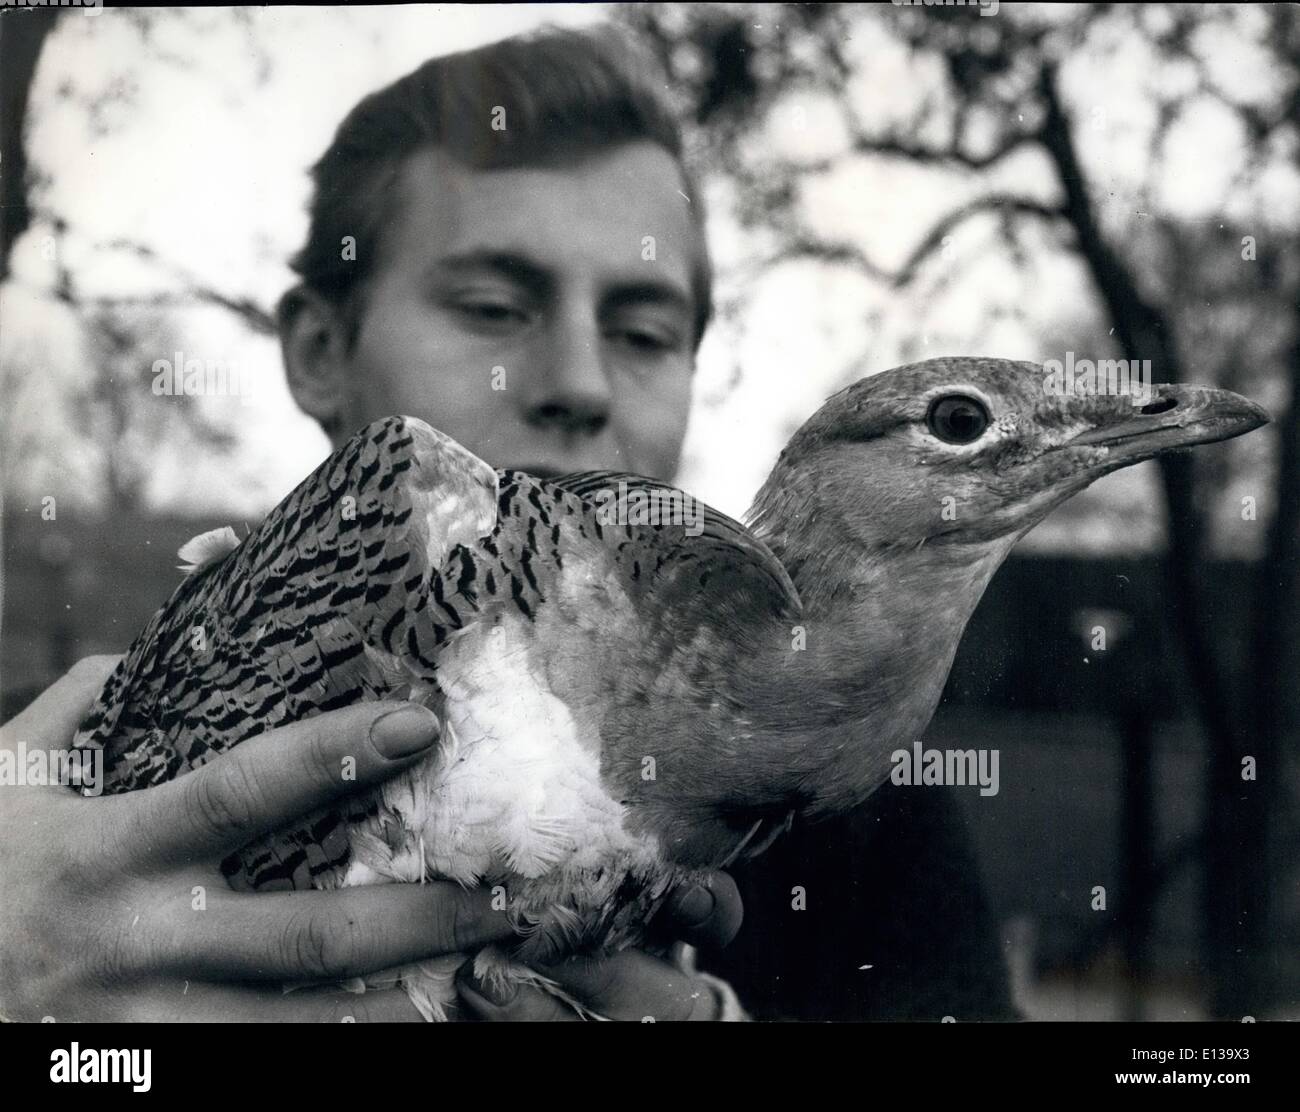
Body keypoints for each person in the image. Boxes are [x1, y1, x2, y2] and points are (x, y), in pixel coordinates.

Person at [0, 25, 1015, 1022]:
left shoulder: (873, 836)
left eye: (643, 331)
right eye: (492, 307)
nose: (576, 382)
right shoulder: (33, 789)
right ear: (316, 348)